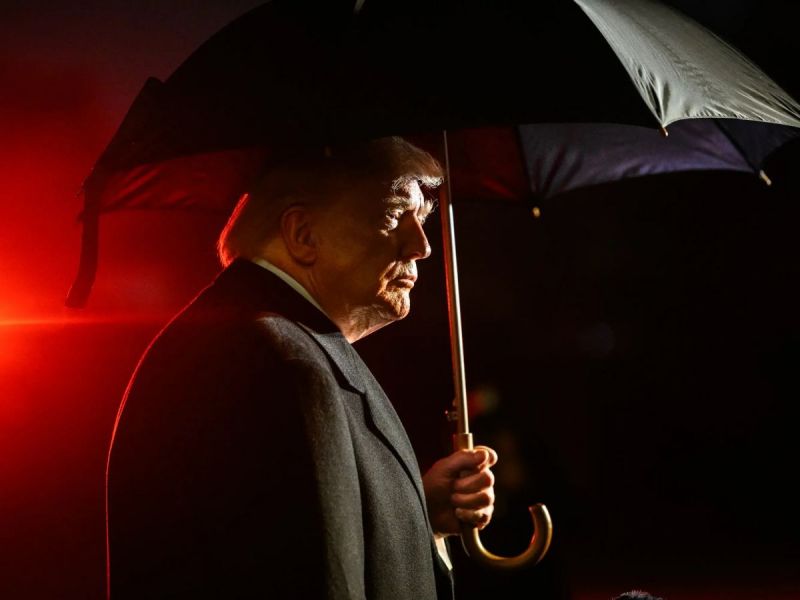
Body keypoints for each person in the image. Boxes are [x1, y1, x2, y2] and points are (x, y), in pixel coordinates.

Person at [105, 137, 498, 599]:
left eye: (423, 219)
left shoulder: (270, 343)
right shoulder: (278, 362)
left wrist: (415, 514)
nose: (422, 246)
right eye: (394, 215)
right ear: (303, 234)